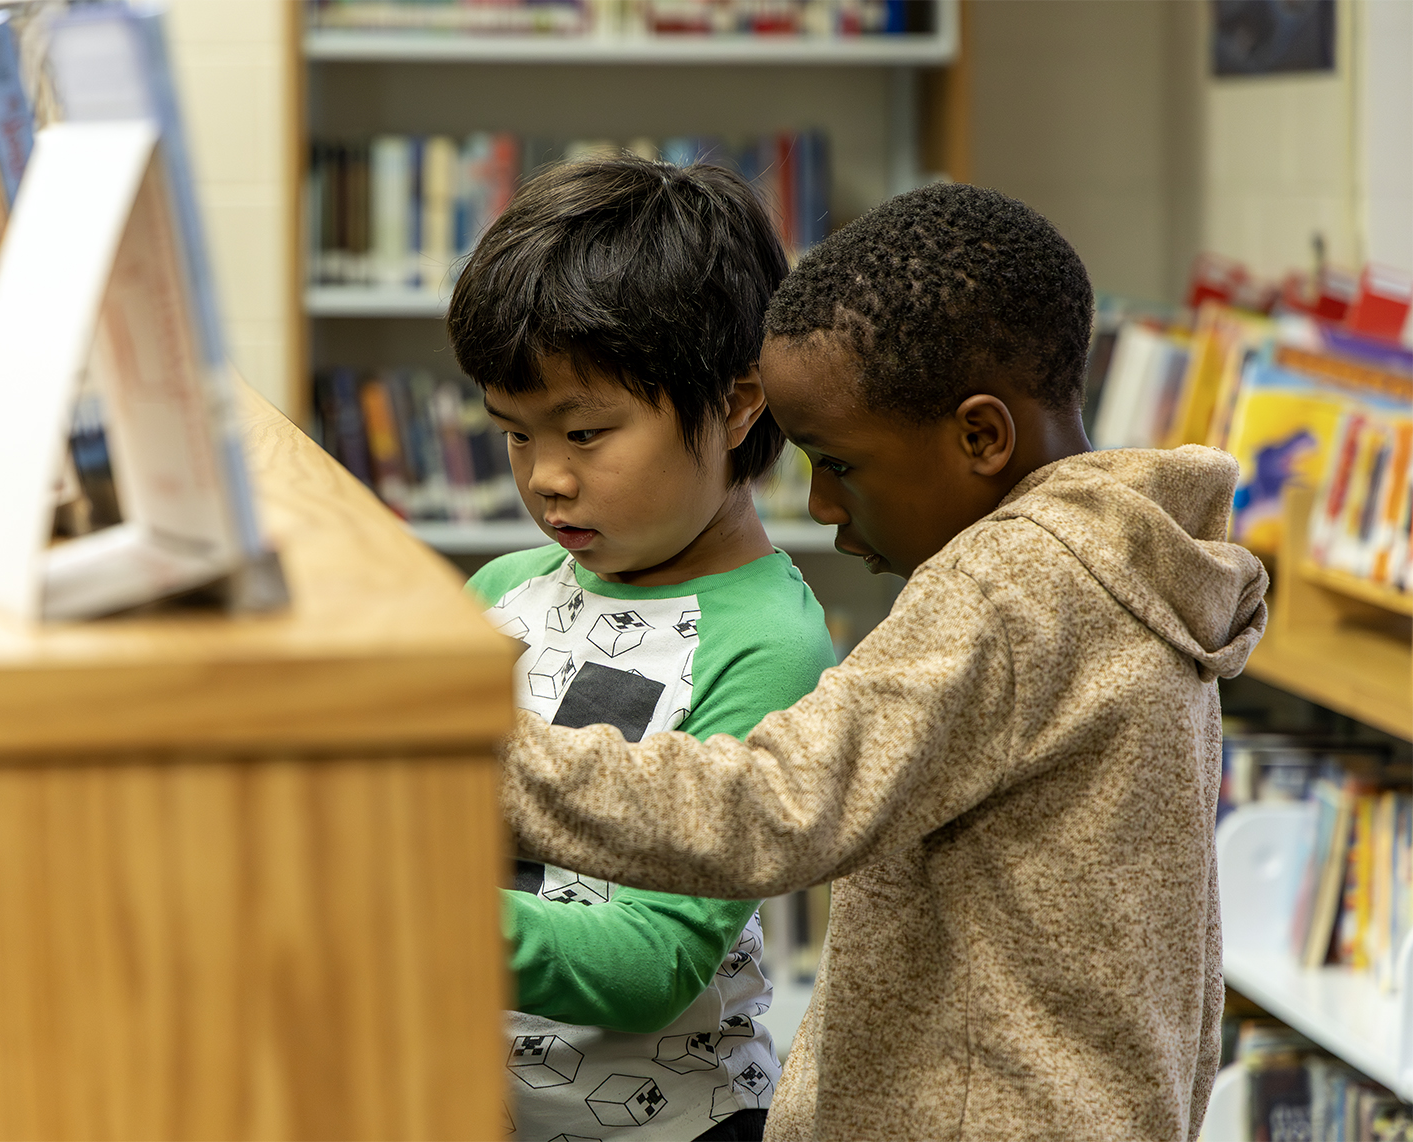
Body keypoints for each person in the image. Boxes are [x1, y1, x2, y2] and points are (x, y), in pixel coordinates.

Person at [492, 182, 1270, 1142]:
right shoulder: (1121, 568)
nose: (821, 507)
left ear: (981, 436)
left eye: (840, 464)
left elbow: (776, 808)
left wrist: (476, 763)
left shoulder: (1012, 588)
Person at [447, 156, 838, 1142]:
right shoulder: (505, 591)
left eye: (583, 432)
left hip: (675, 1123)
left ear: (738, 402)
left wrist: (417, 905)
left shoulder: (769, 644)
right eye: (513, 435)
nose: (545, 481)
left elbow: (653, 960)